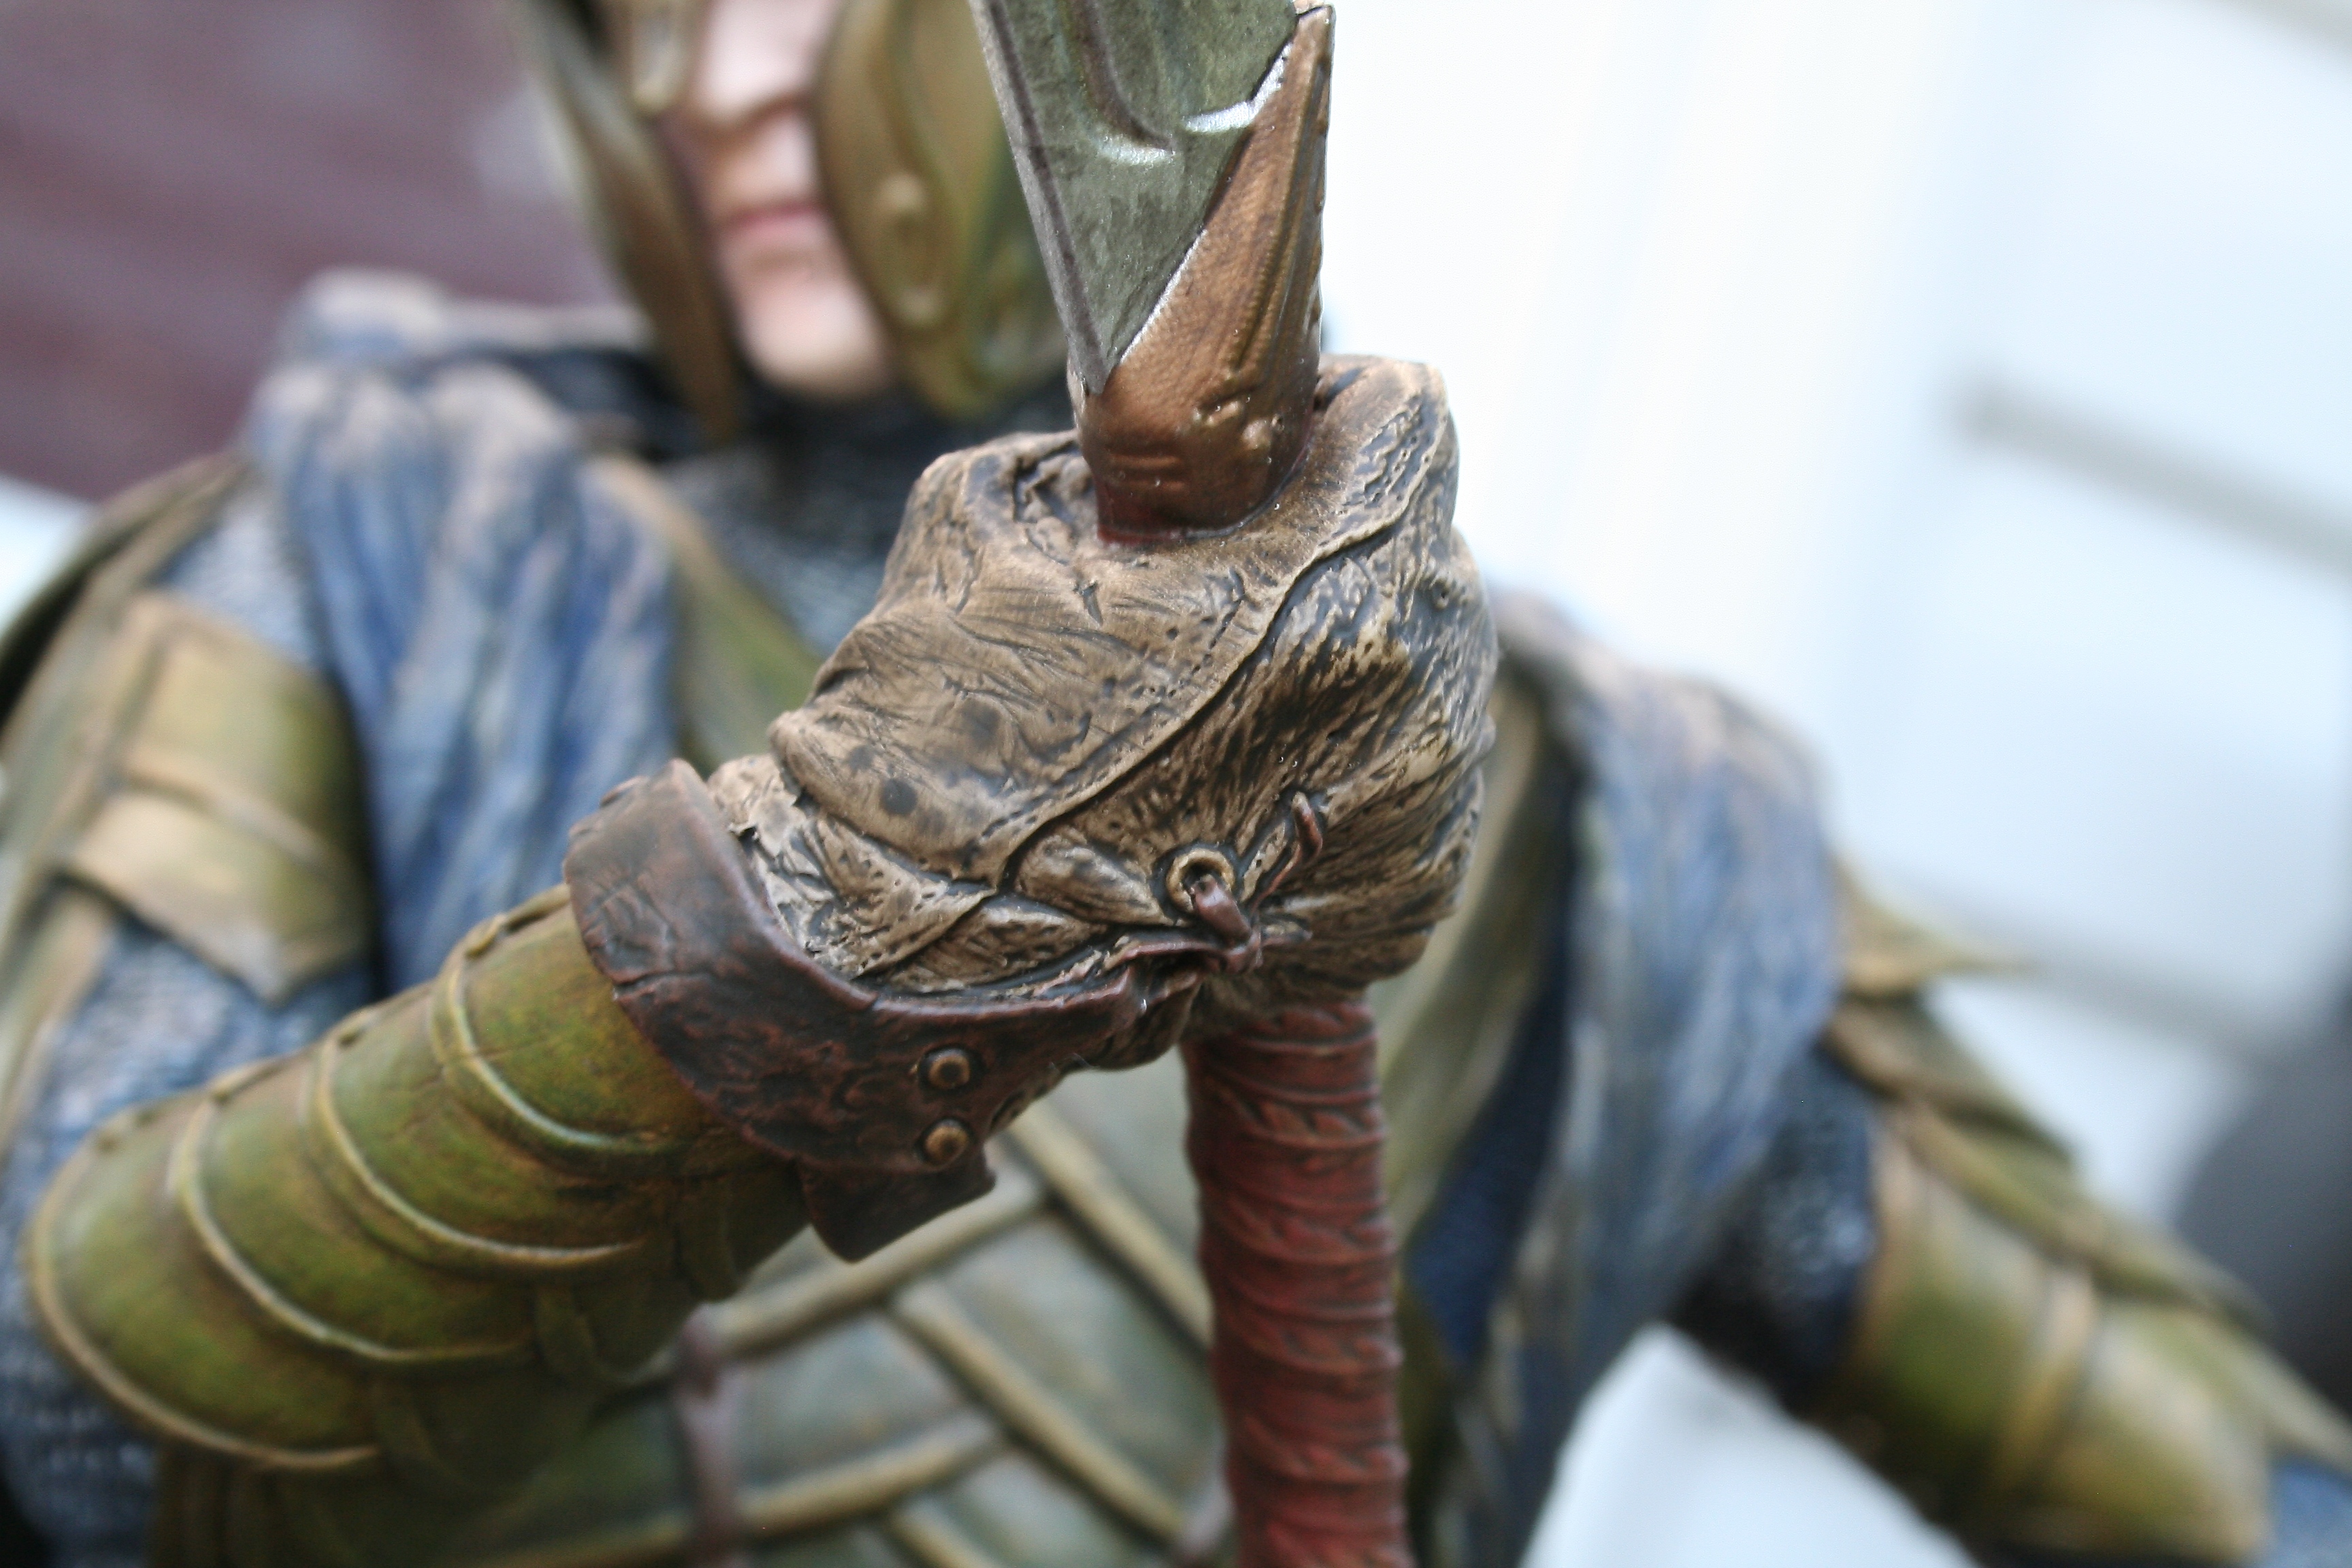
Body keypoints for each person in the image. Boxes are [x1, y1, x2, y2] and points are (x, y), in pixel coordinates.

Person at [0, 1, 2345, 1565]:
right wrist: (831, 896)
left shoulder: (1589, 815)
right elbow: (74, 1426)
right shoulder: (377, 559)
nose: (717, 77)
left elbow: (2232, 1509)